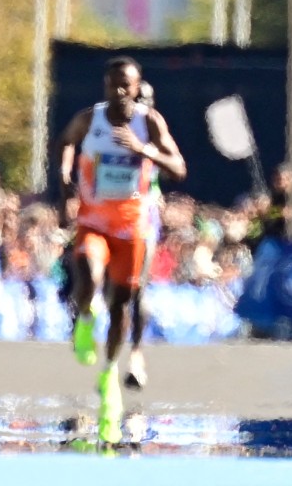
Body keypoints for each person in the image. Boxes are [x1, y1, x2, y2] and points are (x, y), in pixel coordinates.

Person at [56, 57, 186, 444]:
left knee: (124, 302)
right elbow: (66, 140)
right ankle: (83, 317)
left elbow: (179, 167)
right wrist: (66, 178)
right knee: (89, 277)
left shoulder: (149, 123)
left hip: (134, 227)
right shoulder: (90, 118)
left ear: (136, 87)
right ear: (105, 86)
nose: (118, 92)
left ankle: (110, 368)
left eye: (125, 85)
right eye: (112, 84)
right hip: (95, 220)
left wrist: (143, 149)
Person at [124, 80, 162, 390]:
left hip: (141, 217)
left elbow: (174, 165)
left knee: (138, 288)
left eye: (146, 100)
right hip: (105, 215)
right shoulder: (104, 127)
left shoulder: (155, 133)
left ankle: (136, 354)